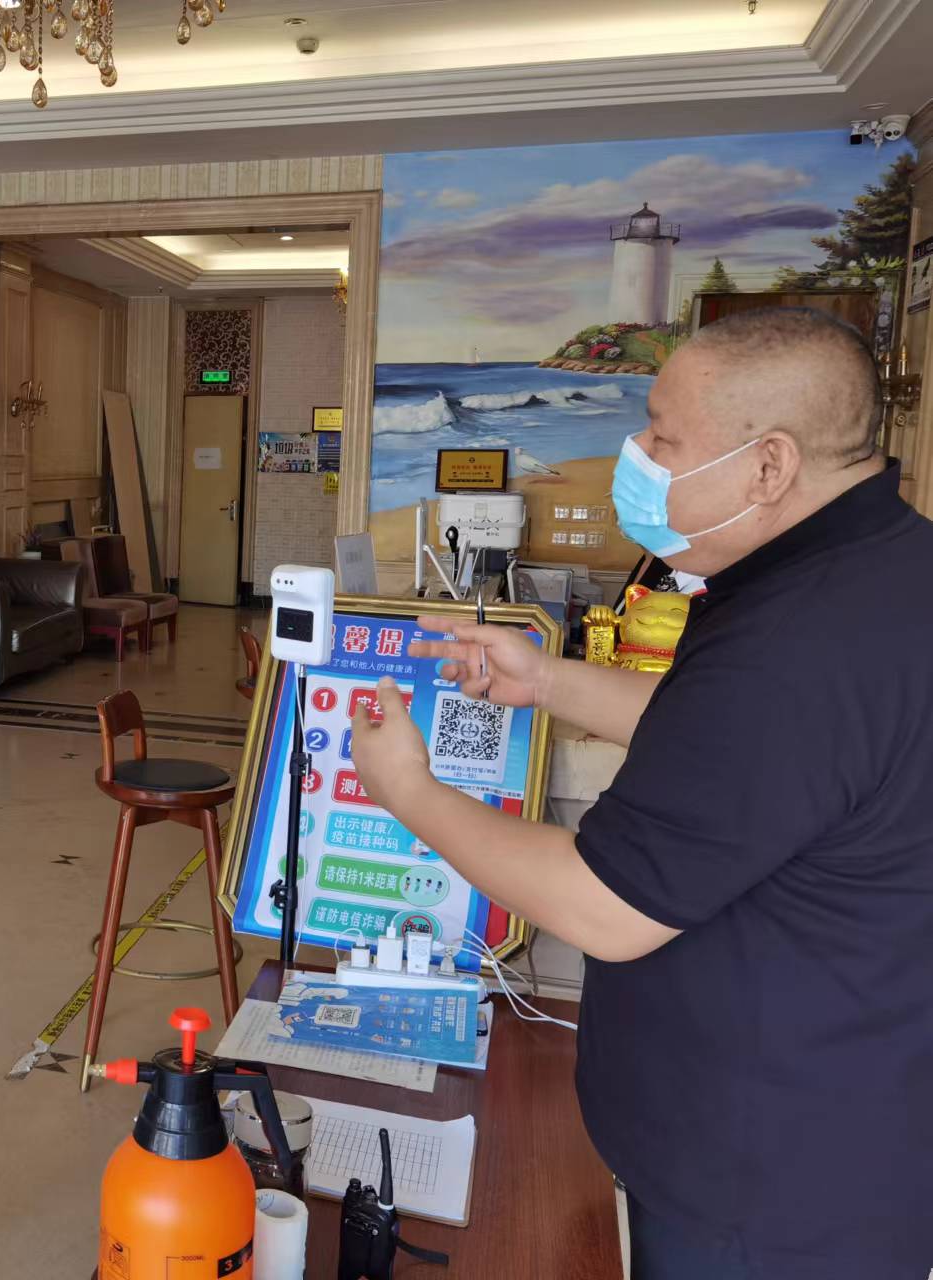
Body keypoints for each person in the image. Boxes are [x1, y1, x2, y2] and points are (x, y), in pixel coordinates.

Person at [348, 308, 933, 1279]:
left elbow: (601, 905)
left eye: (661, 436)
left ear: (767, 465)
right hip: (843, 1126)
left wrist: (407, 788)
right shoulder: (878, 574)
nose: (637, 455)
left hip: (765, 1189)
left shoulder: (797, 644)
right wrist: (547, 680)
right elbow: (734, 746)